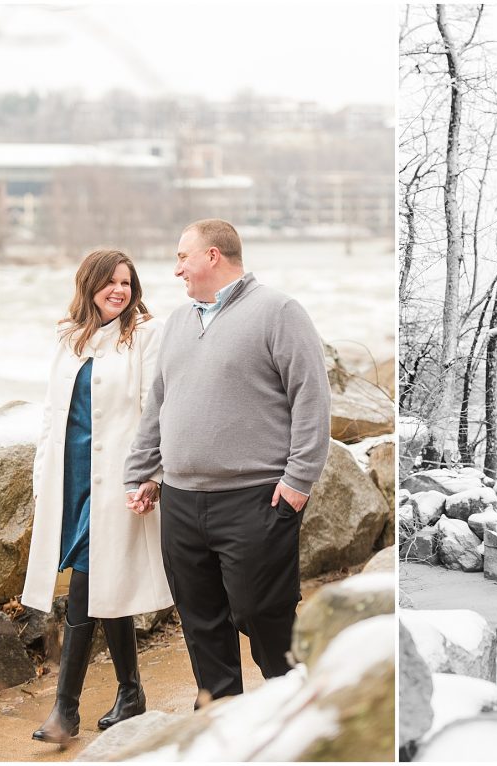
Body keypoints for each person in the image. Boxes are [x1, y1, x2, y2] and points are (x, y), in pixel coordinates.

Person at [123, 218, 331, 705]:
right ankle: (220, 726)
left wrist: (299, 480)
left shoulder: (278, 311)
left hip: (256, 498)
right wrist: (144, 473)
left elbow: (311, 398)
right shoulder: (177, 322)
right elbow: (159, 403)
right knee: (200, 622)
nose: (176, 269)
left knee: (265, 615)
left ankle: (300, 716)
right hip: (181, 500)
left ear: (213, 256)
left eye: (182, 256)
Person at [22, 249, 173, 743]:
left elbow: (158, 408)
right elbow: (52, 416)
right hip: (71, 481)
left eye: (126, 283)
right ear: (88, 286)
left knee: (86, 584)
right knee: (102, 581)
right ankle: (130, 691)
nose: (118, 290)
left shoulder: (145, 335)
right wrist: (42, 478)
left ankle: (65, 711)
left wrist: (152, 473)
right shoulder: (70, 337)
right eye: (109, 282)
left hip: (118, 482)